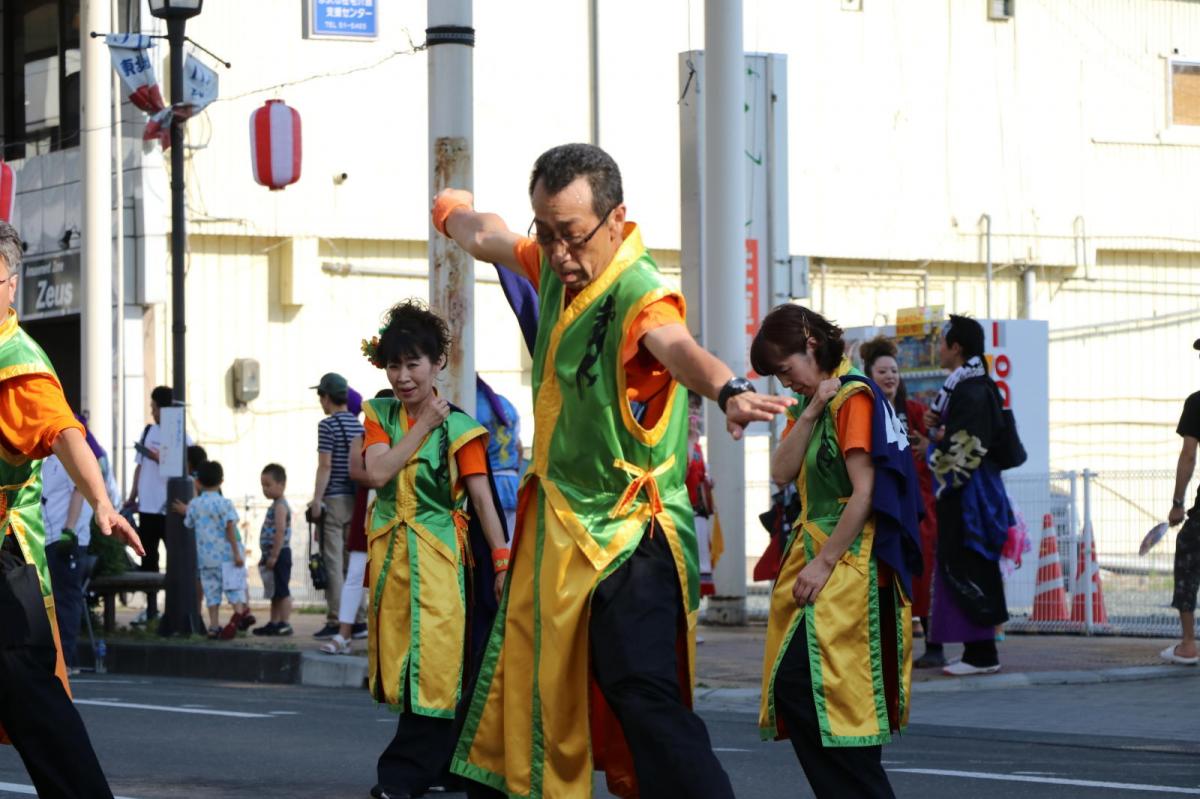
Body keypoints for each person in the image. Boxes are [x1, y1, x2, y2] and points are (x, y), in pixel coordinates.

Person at [434, 142, 791, 798]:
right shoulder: (549, 262)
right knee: (531, 684)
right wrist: (450, 212)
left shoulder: (639, 295)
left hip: (630, 538)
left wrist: (729, 389)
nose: (559, 251)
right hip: (561, 535)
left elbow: (680, 349)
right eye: (546, 231)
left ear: (616, 219)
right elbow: (489, 235)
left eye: (571, 234)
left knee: (642, 693)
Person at [751, 306, 919, 799]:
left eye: (786, 370)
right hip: (825, 563)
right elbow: (781, 472)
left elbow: (864, 494)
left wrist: (825, 563)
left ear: (811, 347)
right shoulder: (828, 401)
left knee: (829, 701)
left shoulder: (855, 399)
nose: (786, 383)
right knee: (816, 698)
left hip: (850, 569)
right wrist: (809, 409)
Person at [0, 220, 143, 797]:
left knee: (29, 691)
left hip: (5, 558)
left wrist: (102, 504)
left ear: (10, 283)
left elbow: (64, 434)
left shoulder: (16, 360)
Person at [359, 301, 509, 798]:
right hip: (393, 565)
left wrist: (503, 560)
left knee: (438, 668)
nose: (402, 377)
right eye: (394, 365)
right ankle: (451, 767)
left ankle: (402, 776)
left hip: (443, 565)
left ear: (437, 363)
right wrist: (423, 425)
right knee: (407, 668)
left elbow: (482, 497)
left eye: (413, 364)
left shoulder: (461, 427)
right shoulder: (379, 414)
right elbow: (377, 472)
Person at [922, 314, 1013, 676]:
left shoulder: (971, 390)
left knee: (969, 565)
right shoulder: (974, 385)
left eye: (943, 342)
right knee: (969, 566)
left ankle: (981, 653)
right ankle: (978, 651)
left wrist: (935, 452)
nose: (938, 349)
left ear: (956, 347)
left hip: (969, 497)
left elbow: (967, 450)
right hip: (973, 492)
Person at [860, 335, 943, 667]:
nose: (890, 376)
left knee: (923, 570)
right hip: (880, 502)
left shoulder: (916, 412)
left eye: (894, 370)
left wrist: (931, 443)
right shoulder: (864, 410)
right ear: (869, 374)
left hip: (920, 504)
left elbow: (940, 443)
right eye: (882, 371)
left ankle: (933, 643)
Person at [317, 388, 393, 655]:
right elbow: (356, 472)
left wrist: (377, 475)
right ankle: (344, 634)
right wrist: (380, 476)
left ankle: (382, 638)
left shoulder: (409, 436)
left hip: (398, 511)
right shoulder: (361, 437)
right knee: (356, 574)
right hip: (368, 511)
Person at [125, 385, 192, 624]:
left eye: (154, 407)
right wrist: (133, 496)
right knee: (148, 558)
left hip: (169, 506)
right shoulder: (148, 431)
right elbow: (139, 466)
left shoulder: (181, 434)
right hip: (147, 506)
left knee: (174, 556)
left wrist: (160, 457)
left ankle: (175, 606)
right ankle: (151, 607)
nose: (152, 412)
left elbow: (188, 467)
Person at [308, 372, 365, 639]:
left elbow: (325, 465)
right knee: (352, 563)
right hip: (356, 501)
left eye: (321, 395)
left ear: (328, 397)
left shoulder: (326, 425)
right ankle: (359, 618)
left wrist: (317, 499)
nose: (320, 401)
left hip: (334, 500)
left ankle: (336, 619)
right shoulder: (359, 426)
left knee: (332, 562)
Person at [1162, 337, 1200, 665]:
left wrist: (1178, 502)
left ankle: (1189, 644)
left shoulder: (1198, 402)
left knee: (1188, 559)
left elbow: (1189, 455)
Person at [184, 460, 250, 640]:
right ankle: (237, 617)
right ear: (222, 481)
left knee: (212, 594)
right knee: (233, 590)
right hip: (226, 557)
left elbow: (188, 523)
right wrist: (237, 553)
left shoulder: (195, 505)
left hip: (205, 560)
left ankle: (213, 627)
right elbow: (230, 528)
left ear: (198, 482)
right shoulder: (225, 504)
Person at [41, 452, 93, 671]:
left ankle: (67, 660)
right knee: (49, 601)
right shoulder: (45, 459)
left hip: (65, 538)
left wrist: (69, 529)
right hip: (45, 537)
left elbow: (79, 489)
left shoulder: (70, 453)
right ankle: (54, 659)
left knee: (65, 600)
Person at [475, 375, 522, 535]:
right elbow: (518, 447)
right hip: (513, 484)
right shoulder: (504, 403)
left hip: (488, 487)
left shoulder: (469, 404)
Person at [253, 464, 293, 637]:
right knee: (274, 591)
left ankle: (285, 623)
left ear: (281, 485)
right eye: (263, 485)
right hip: (272, 554)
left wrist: (274, 555)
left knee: (282, 590)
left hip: (280, 554)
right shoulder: (275, 504)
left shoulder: (280, 506)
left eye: (268, 485)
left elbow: (280, 531)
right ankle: (274, 622)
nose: (265, 489)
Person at [686, 391, 718, 597]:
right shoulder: (680, 439)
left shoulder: (696, 442)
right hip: (684, 516)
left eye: (697, 407)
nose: (695, 411)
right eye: (691, 406)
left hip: (698, 514)